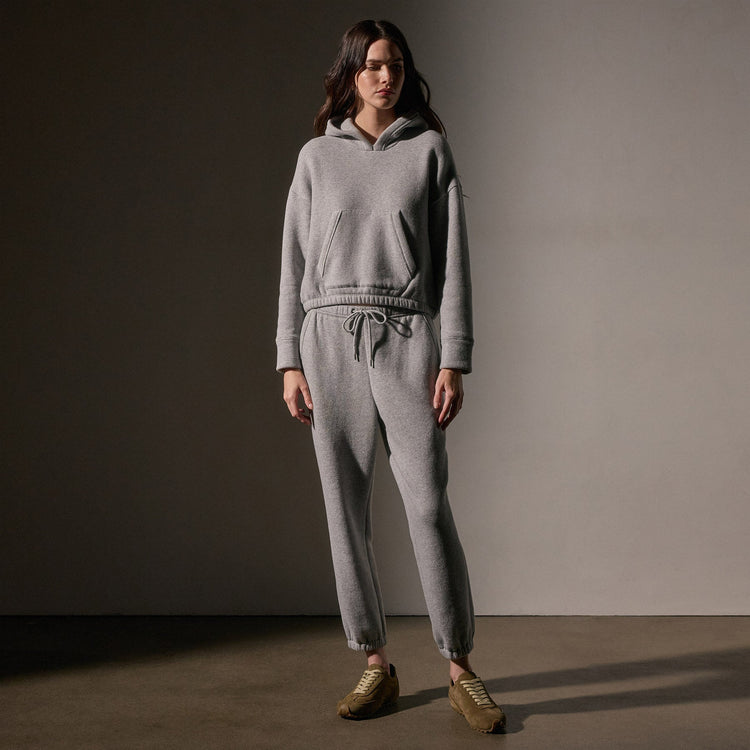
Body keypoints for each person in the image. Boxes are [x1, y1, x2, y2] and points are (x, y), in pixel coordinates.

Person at [275, 19, 506, 734]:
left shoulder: (429, 151)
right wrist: (288, 358)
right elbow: (291, 261)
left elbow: (454, 261)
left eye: (396, 65)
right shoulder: (317, 157)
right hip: (328, 339)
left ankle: (461, 668)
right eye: (373, 65)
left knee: (427, 505)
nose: (385, 77)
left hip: (408, 336)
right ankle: (375, 662)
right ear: (350, 73)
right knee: (345, 510)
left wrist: (453, 356)